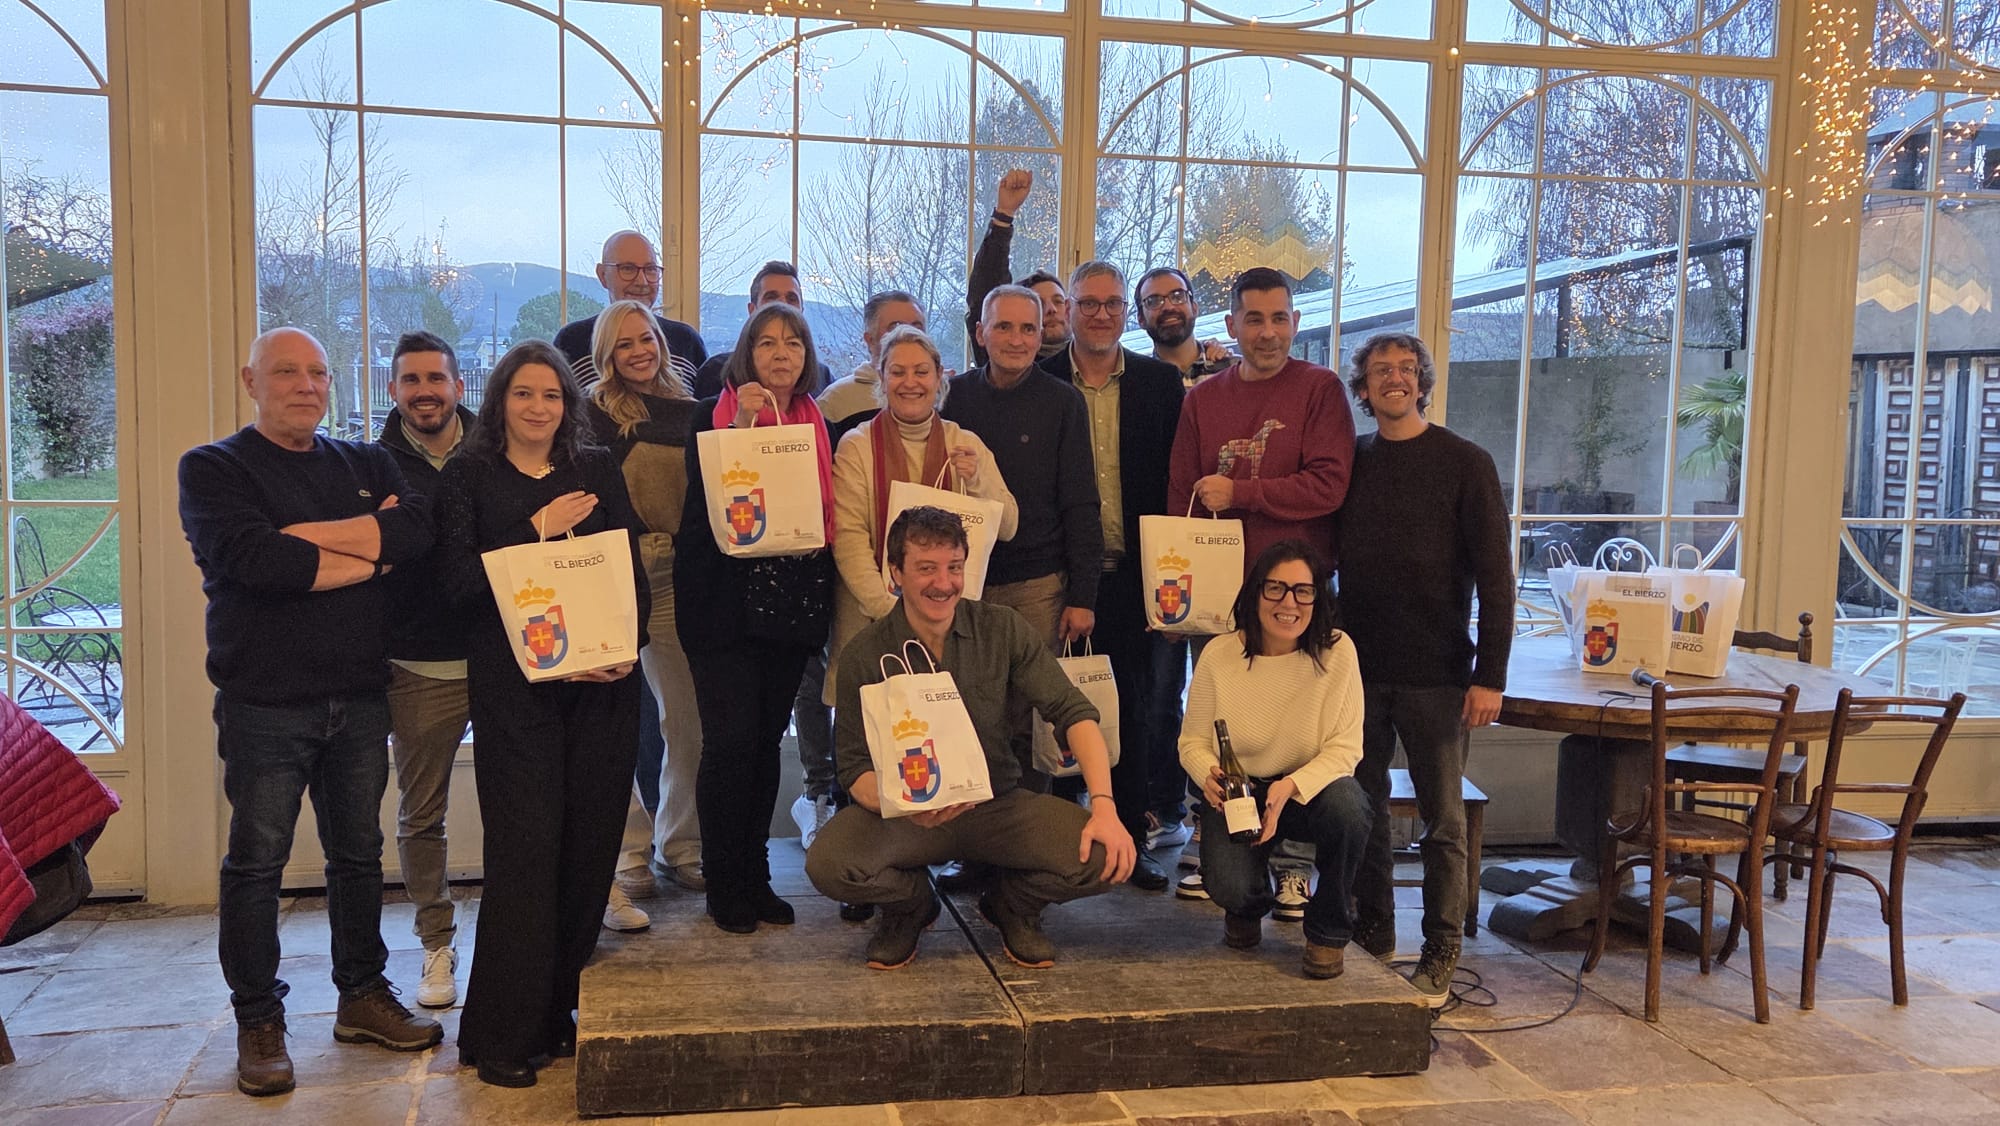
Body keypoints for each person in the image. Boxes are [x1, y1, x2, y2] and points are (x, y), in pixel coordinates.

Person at [178, 327, 442, 1098]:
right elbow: (257, 562)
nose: (306, 385)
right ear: (250, 379)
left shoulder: (365, 460)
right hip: (265, 701)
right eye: (286, 372)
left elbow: (415, 535)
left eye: (318, 373)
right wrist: (368, 552)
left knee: (358, 856)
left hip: (360, 695)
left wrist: (310, 546)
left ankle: (361, 996)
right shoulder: (215, 468)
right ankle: (258, 1019)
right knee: (257, 863)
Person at [432, 341, 649, 1088]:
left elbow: (627, 567)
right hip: (517, 694)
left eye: (552, 395)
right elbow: (457, 585)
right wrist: (537, 529)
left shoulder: (597, 468)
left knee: (587, 854)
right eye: (524, 394)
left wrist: (627, 646)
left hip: (602, 686)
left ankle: (554, 1014)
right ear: (500, 402)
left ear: (569, 404)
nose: (538, 408)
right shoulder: (470, 476)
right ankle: (498, 1035)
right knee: (526, 859)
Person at [807, 507, 1137, 970]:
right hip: (907, 816)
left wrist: (1104, 805)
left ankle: (1012, 903)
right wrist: (902, 804)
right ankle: (911, 906)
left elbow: (1073, 711)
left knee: (1110, 855)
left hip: (997, 806)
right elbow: (854, 768)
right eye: (926, 568)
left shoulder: (1001, 628)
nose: (944, 583)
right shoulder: (865, 652)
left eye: (954, 567)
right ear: (895, 572)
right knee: (828, 864)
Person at [1166, 266, 1356, 919]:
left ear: (1296, 324)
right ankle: (1215, 835)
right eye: (1255, 318)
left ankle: (1295, 867)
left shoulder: (1320, 390)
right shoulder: (1202, 400)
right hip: (1221, 596)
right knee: (1219, 725)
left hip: (1297, 596)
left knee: (1297, 731)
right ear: (1232, 326)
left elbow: (1329, 486)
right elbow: (1182, 501)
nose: (1268, 331)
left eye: (1280, 318)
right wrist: (1172, 592)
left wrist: (1243, 494)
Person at [1338, 331, 1513, 1007]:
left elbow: (1497, 578)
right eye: (1380, 370)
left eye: (1407, 370)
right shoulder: (1350, 460)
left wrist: (1489, 675)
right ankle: (1375, 934)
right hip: (1359, 672)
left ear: (1423, 384)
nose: (1394, 379)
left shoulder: (1466, 462)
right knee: (1366, 812)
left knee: (1443, 823)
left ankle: (1441, 949)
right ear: (1362, 388)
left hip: (1440, 674)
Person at [677, 301, 838, 933]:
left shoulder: (814, 420)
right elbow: (719, 498)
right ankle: (725, 882)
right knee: (728, 744)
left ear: (805, 358)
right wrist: (744, 423)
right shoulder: (711, 415)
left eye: (792, 343)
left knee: (767, 745)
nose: (780, 353)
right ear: (748, 353)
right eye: (767, 342)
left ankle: (758, 876)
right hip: (721, 603)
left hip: (792, 601)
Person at [1037, 261, 1186, 892]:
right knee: (1047, 710)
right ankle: (1046, 841)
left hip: (1137, 576)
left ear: (1128, 312)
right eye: (1088, 303)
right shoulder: (1040, 381)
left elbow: (1176, 485)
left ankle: (1131, 836)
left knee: (1136, 710)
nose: (1101, 314)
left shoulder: (1160, 384)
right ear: (1067, 310)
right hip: (1057, 574)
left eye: (1113, 304)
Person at [940, 284, 1102, 804]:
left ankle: (1025, 843)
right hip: (963, 581)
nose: (1016, 338)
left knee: (1031, 717)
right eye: (1003, 327)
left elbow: (1081, 501)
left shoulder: (1063, 402)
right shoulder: (956, 396)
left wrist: (1083, 595)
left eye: (1028, 328)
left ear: (1042, 336)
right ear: (981, 333)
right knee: (969, 710)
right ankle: (974, 842)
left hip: (1037, 584)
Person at [1178, 540, 1370, 980]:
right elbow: (1191, 740)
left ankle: (1326, 932)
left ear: (1319, 597)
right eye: (1276, 589)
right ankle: (1249, 903)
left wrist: (1292, 786)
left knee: (1349, 806)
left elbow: (1346, 749)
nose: (1289, 603)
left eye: (1303, 591)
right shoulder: (1220, 654)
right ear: (1255, 593)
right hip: (1239, 790)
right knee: (1228, 888)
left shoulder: (1338, 651)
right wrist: (1206, 773)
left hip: (1306, 791)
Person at [586, 300, 709, 935]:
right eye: (624, 343)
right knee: (611, 721)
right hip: (609, 569)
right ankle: (628, 851)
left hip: (674, 570)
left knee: (684, 718)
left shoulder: (690, 413)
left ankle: (680, 844)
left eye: (647, 338)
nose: (639, 351)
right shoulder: (589, 416)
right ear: (605, 354)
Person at [375, 330, 479, 1010]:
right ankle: (436, 943)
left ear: (458, 385)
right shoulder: (370, 466)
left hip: (506, 655)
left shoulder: (496, 450)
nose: (424, 392)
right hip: (416, 664)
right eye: (410, 381)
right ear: (393, 391)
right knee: (422, 816)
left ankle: (536, 927)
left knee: (530, 798)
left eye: (435, 379)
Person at [830, 324, 1018, 691]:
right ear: (881, 380)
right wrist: (894, 613)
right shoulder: (856, 446)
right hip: (873, 619)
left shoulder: (964, 443)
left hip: (947, 624)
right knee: (869, 739)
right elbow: (849, 540)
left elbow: (1008, 525)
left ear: (939, 379)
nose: (910, 382)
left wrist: (978, 480)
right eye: (897, 372)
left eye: (921, 371)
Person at [555, 229, 707, 392]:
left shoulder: (686, 341)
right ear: (603, 275)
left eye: (650, 269)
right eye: (628, 269)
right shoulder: (572, 341)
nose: (642, 281)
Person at [690, 260, 836, 400]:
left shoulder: (822, 378)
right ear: (752, 310)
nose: (782, 305)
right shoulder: (716, 371)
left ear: (802, 311)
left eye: (791, 299)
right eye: (771, 298)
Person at [965, 169, 1068, 367]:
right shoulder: (1002, 357)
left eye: (1058, 301)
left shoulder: (1081, 364)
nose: (1051, 310)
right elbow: (986, 293)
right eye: (1039, 303)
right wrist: (1004, 216)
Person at [818, 290, 927, 427]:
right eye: (895, 328)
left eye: (917, 328)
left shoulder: (936, 393)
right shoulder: (838, 400)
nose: (909, 336)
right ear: (870, 339)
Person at [1134, 266, 1234, 386]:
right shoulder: (1137, 385)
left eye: (1178, 296)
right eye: (1153, 301)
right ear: (1141, 319)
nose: (1168, 307)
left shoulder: (1234, 371)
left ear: (1195, 308)